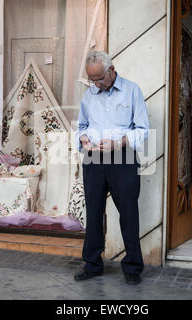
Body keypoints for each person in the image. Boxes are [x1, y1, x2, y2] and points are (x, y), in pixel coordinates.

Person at [74, 51, 149, 285]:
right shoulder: (89, 95)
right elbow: (81, 125)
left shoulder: (132, 91)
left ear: (112, 70)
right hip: (94, 159)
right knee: (94, 212)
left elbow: (143, 129)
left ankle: (133, 267)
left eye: (100, 79)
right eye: (92, 80)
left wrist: (119, 143)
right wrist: (84, 137)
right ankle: (93, 264)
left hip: (123, 158)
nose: (96, 84)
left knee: (128, 213)